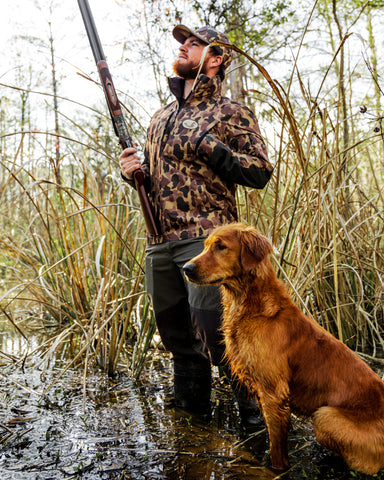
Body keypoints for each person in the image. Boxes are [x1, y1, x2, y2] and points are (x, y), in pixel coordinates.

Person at [119, 25, 274, 427]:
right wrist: (132, 172)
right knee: (175, 337)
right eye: (182, 43)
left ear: (216, 58)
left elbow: (259, 172)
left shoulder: (231, 111)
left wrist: (211, 146)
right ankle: (192, 420)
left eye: (193, 43)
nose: (183, 48)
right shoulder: (161, 116)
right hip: (159, 243)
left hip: (207, 242)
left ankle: (257, 423)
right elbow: (155, 177)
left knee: (219, 337)